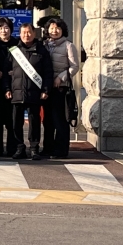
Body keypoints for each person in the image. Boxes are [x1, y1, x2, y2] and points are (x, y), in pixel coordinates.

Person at [4, 22, 53, 160]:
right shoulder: (13, 51)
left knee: (34, 122)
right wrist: (7, 88)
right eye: (24, 32)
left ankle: (34, 148)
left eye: (29, 32)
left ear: (34, 33)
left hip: (35, 93)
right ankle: (19, 148)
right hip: (16, 92)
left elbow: (48, 73)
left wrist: (46, 90)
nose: (27, 35)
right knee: (16, 123)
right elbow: (5, 72)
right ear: (20, 34)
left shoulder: (41, 50)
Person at [42, 17, 80, 159]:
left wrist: (61, 77)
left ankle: (60, 150)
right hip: (47, 87)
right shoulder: (44, 44)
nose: (54, 30)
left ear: (62, 30)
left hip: (61, 88)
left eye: (57, 28)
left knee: (60, 120)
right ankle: (47, 148)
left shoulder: (68, 45)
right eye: (52, 28)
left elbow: (75, 66)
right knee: (47, 120)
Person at [0, 16, 18, 157]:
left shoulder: (17, 44)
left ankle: (12, 148)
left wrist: (15, 72)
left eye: (6, 27)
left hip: (14, 85)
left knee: (11, 119)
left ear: (11, 29)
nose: (3, 31)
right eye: (0, 28)